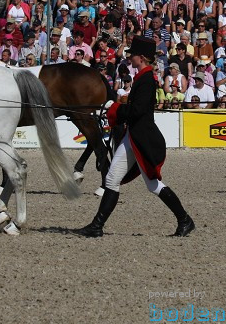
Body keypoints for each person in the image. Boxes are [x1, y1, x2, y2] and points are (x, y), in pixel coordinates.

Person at [75, 36, 194, 237]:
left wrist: (114, 109)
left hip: (142, 139)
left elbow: (136, 111)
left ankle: (185, 219)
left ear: (141, 57)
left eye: (133, 56)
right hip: (133, 136)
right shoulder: (143, 77)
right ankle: (97, 226)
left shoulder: (147, 80)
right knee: (112, 179)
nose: (130, 58)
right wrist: (116, 108)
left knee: (152, 185)